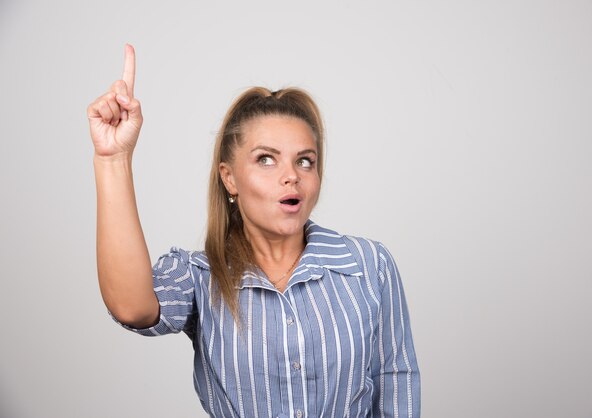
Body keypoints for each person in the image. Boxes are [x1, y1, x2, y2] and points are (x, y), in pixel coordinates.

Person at [87, 44, 420, 418]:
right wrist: (113, 159)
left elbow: (396, 376)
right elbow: (132, 307)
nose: (291, 175)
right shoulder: (201, 276)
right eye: (266, 159)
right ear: (229, 177)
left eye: (305, 161)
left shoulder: (367, 264)